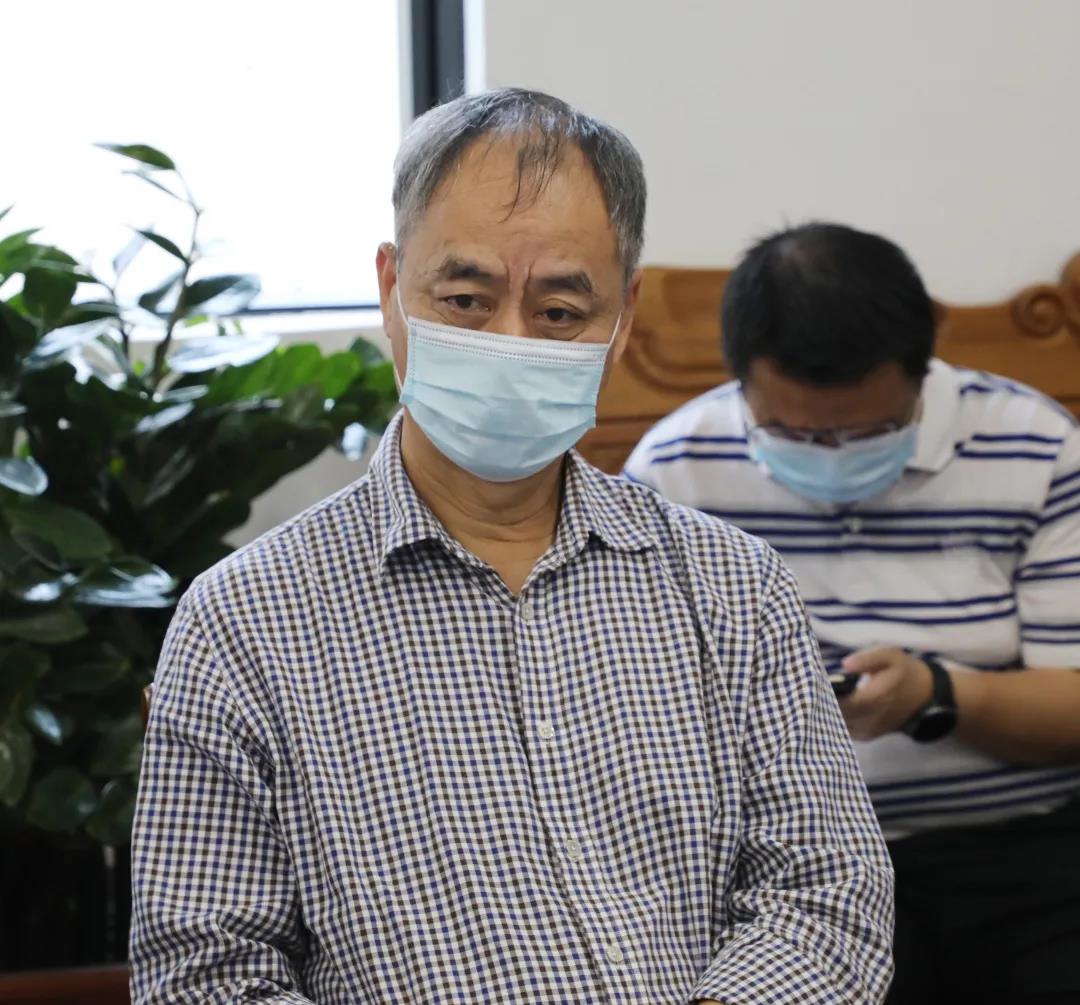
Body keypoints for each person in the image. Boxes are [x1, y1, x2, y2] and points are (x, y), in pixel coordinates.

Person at [129, 94, 893, 1004]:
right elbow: (204, 973)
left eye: (561, 311)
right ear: (391, 286)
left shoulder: (733, 589)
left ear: (623, 316)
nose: (510, 342)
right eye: (465, 300)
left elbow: (828, 891)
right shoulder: (243, 624)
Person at [625, 221, 1080, 1005]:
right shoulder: (673, 474)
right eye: (792, 433)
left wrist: (933, 694)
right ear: (742, 381)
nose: (831, 453)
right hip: (792, 867)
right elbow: (636, 714)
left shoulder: (1037, 447)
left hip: (1022, 849)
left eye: (870, 431)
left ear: (922, 367)